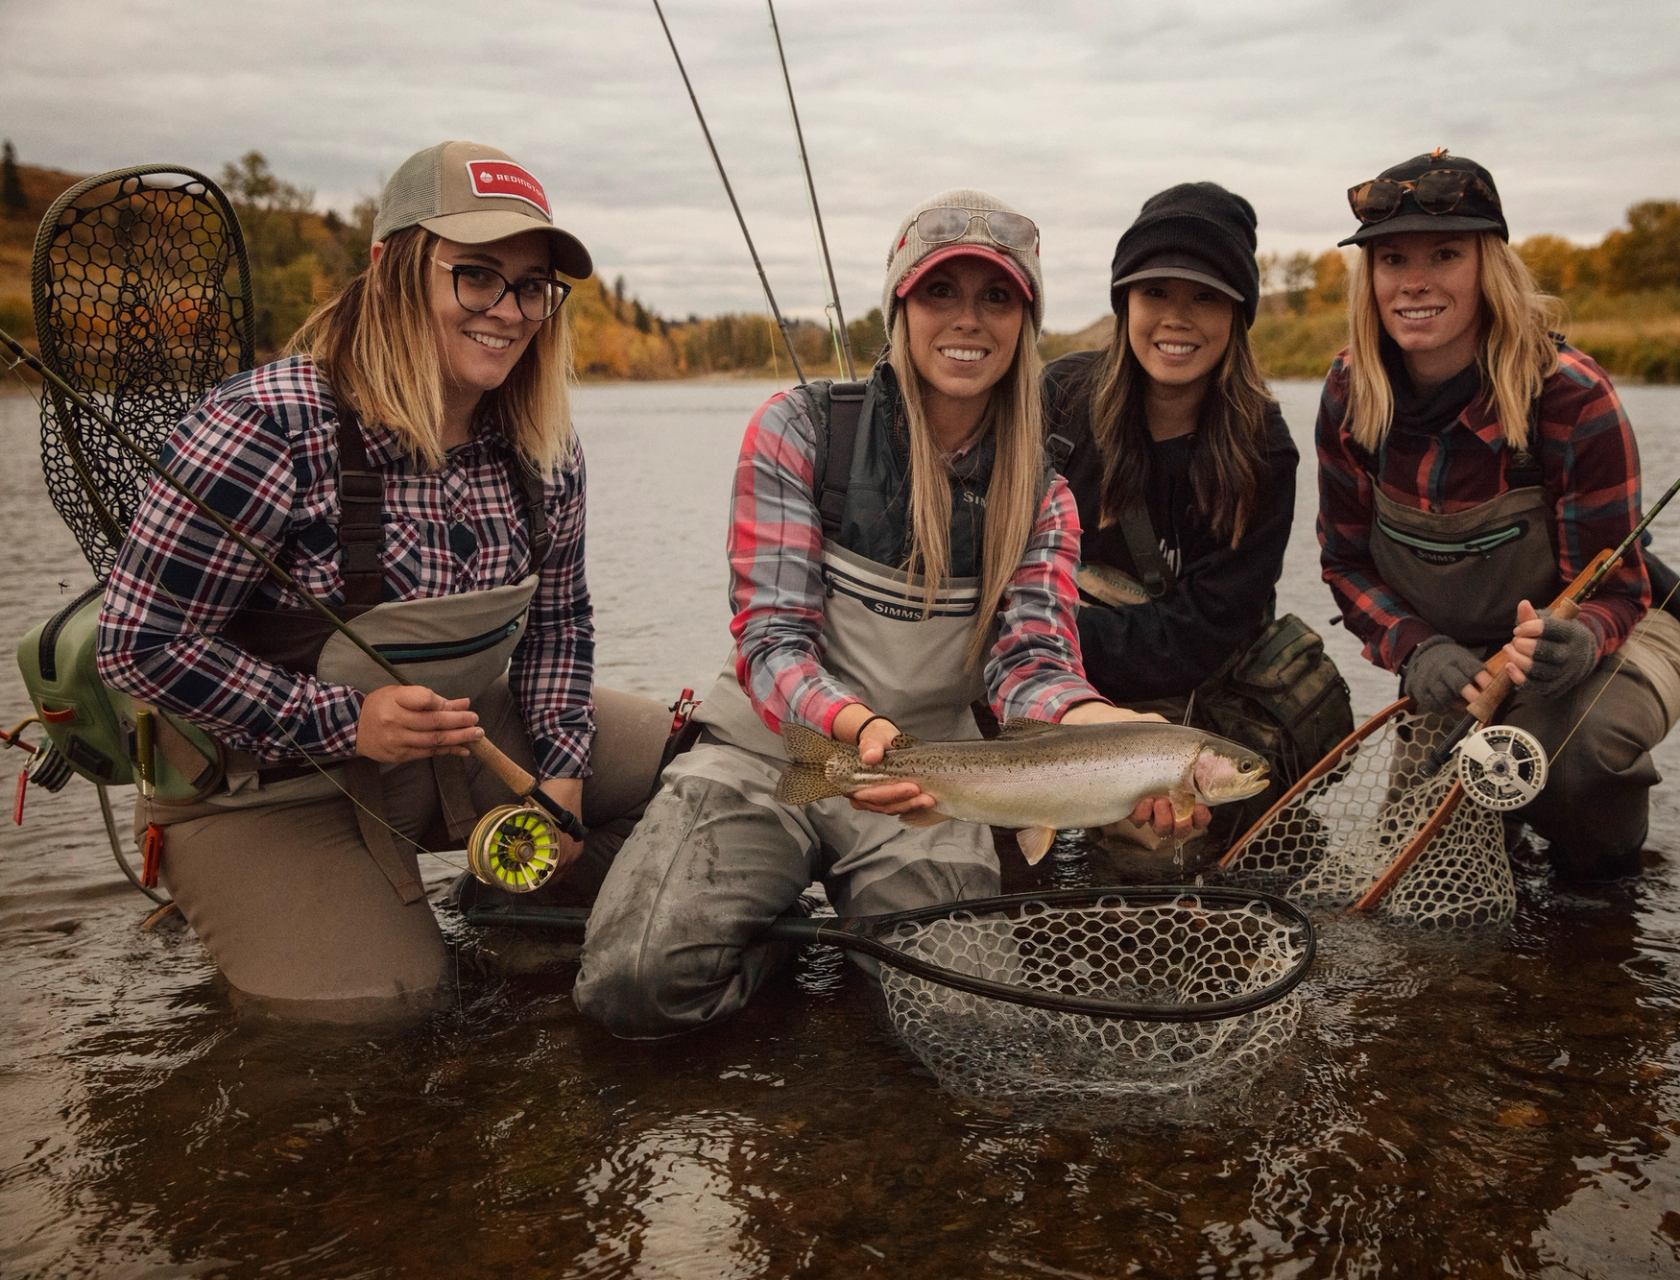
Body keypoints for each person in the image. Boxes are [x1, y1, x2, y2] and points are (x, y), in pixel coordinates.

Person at [575, 190, 1172, 1038]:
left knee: (963, 1024)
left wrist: (1107, 729)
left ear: (1025, 321)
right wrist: (852, 726)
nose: (968, 320)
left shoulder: (1045, 495)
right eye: (941, 293)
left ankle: (830, 941)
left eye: (996, 297)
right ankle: (769, 936)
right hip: (769, 753)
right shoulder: (798, 429)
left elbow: (1030, 664)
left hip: (933, 785)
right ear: (900, 304)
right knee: (633, 988)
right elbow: (771, 640)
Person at [96, 140, 672, 1014]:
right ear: (393, 267)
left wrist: (560, 776)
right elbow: (138, 647)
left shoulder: (545, 448)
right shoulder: (265, 424)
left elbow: (562, 624)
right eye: (476, 276)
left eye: (531, 286)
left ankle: (507, 909)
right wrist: (338, 720)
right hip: (263, 789)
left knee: (705, 761)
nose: (510, 312)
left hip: (462, 744)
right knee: (392, 1007)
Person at [1316, 148, 1680, 879]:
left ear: (1490, 266)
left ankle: (1606, 870)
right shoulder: (1350, 392)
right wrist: (1417, 648)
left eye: (1445, 254)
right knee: (1421, 864)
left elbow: (1619, 588)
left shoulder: (1572, 395)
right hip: (1453, 664)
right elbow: (1346, 564)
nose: (1413, 282)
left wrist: (1577, 641)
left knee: (1576, 760)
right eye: (1391, 260)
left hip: (1609, 642)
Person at [1041, 182, 1322, 851]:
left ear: (1237, 314)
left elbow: (1203, 634)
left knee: (1160, 848)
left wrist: (1056, 643)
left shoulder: (1263, 449)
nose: (1177, 317)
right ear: (1125, 303)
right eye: (1155, 293)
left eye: (1205, 296)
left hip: (1172, 695)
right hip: (1044, 667)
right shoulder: (1060, 397)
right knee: (984, 849)